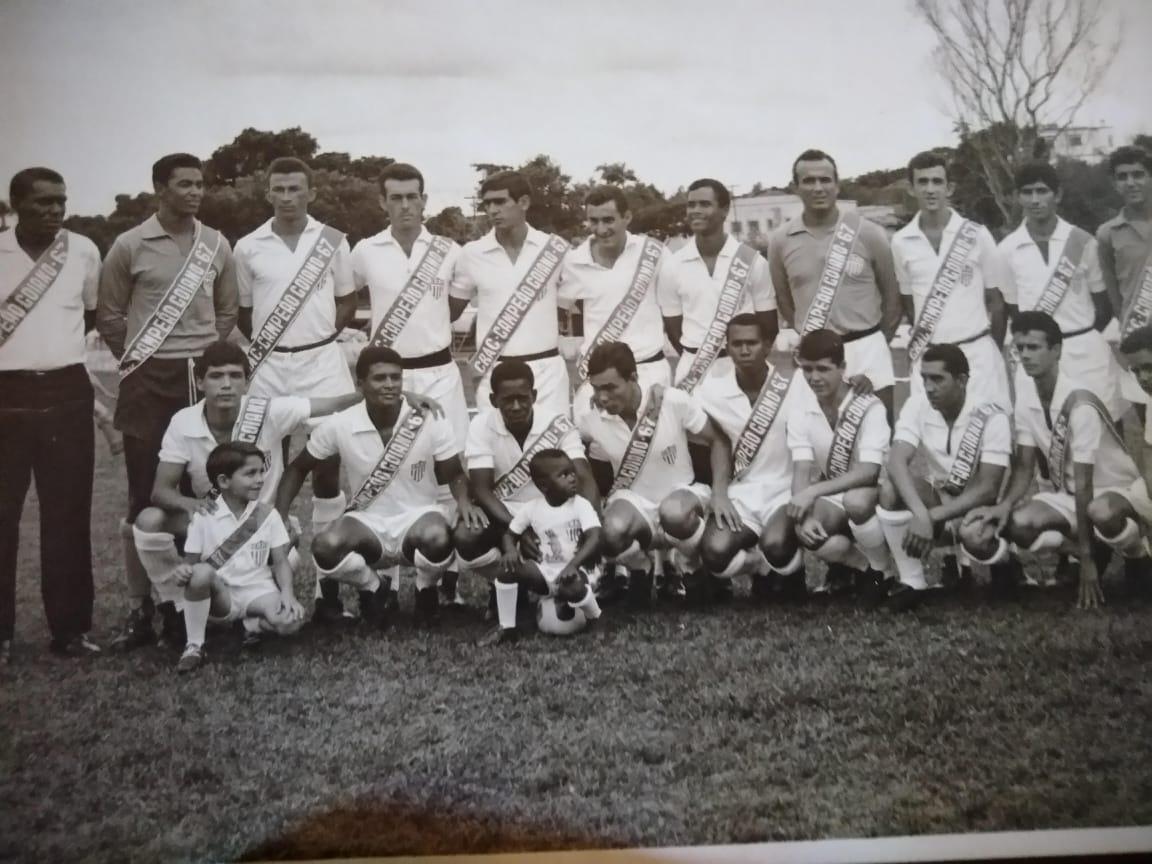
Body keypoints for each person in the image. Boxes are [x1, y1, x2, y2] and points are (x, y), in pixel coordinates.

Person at [129, 340, 363, 642]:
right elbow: (160, 490)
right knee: (149, 521)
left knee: (288, 595)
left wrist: (399, 396)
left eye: (235, 376)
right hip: (212, 526)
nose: (226, 385)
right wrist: (188, 504)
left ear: (246, 381)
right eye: (216, 376)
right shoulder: (183, 421)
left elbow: (332, 405)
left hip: (262, 531)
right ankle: (176, 607)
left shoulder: (269, 411)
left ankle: (244, 622)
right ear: (199, 381)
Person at [97, 152, 238, 649]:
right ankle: (143, 610)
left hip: (199, 378)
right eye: (184, 184)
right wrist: (140, 358)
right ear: (160, 188)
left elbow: (226, 312)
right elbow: (110, 316)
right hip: (147, 380)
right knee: (143, 497)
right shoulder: (128, 245)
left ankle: (190, 601)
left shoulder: (216, 244)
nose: (195, 192)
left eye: (199, 184)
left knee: (204, 489)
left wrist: (200, 359)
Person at [276, 346, 488, 628]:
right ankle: (374, 587)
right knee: (325, 547)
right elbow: (297, 467)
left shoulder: (429, 418)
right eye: (379, 379)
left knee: (438, 537)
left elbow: (454, 473)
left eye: (395, 378)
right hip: (367, 521)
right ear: (360, 384)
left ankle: (426, 590)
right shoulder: (341, 424)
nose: (389, 385)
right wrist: (278, 516)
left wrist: (463, 501)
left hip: (419, 516)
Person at [234, 156, 359, 617]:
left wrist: (316, 338)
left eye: (295, 189)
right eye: (279, 189)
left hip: (323, 362)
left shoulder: (333, 242)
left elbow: (347, 300)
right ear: (268, 193)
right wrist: (280, 345)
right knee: (264, 471)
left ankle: (329, 592)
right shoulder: (247, 246)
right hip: (268, 367)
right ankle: (268, 587)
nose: (287, 197)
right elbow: (245, 312)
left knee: (327, 469)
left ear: (311, 192)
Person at [963, 312, 1152, 609]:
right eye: (1020, 348)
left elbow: (1087, 482)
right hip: (1071, 496)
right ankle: (1089, 547)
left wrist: (1086, 563)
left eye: (1034, 347)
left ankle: (1135, 554)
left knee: (1100, 512)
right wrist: (1004, 505)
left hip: (1113, 491)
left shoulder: (1080, 402)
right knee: (1019, 524)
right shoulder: (1026, 396)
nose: (1026, 355)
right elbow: (1024, 467)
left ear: (1057, 351)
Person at [352, 162, 472, 606]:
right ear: (382, 202)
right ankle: (390, 577)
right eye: (396, 197)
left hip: (440, 372)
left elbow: (456, 307)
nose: (405, 205)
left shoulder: (448, 250)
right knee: (393, 473)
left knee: (447, 475)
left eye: (413, 196)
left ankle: (447, 583)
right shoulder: (364, 251)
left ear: (425, 199)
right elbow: (346, 298)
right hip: (390, 378)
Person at [0, 167, 102, 661]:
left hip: (66, 389)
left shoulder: (82, 250)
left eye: (60, 201)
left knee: (67, 515)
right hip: (5, 394)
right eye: (42, 202)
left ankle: (70, 630)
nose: (54, 210)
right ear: (16, 203)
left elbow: (89, 313)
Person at [578, 341, 739, 604]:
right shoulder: (590, 416)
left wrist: (720, 493)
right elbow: (574, 454)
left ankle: (692, 567)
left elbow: (719, 441)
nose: (603, 397)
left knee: (673, 512)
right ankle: (642, 569)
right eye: (597, 388)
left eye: (610, 387)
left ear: (633, 378)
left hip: (681, 496)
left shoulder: (671, 401)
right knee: (607, 531)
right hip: (635, 502)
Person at [769, 149, 902, 423]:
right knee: (821, 443)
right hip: (816, 357)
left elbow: (892, 297)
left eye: (825, 180)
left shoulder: (868, 233)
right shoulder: (781, 240)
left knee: (876, 444)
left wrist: (875, 344)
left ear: (837, 184)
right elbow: (785, 302)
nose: (818, 188)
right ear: (796, 187)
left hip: (866, 347)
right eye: (808, 181)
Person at [877, 344, 1012, 608]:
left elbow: (988, 488)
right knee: (889, 489)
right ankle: (912, 581)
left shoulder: (991, 413)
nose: (928, 387)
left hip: (983, 508)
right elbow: (895, 460)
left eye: (937, 379)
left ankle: (1006, 564)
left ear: (962, 380)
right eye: (924, 378)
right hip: (941, 498)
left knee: (975, 533)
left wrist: (930, 517)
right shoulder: (918, 405)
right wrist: (920, 512)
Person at [455, 360, 598, 600]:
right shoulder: (481, 425)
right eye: (507, 400)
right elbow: (481, 490)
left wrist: (593, 525)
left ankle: (573, 580)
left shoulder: (557, 424)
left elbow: (584, 476)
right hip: (505, 512)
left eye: (523, 398)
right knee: (466, 535)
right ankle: (505, 583)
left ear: (534, 395)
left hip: (552, 510)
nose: (516, 406)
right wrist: (519, 529)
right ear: (493, 400)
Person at [999, 161, 1123, 419]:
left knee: (1106, 433)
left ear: (1058, 195)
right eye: (1027, 192)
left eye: (1042, 191)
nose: (1035, 200)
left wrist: (1078, 336)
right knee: (1048, 437)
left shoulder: (1083, 241)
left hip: (1086, 353)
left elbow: (1103, 306)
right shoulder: (1007, 249)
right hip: (1039, 356)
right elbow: (1014, 310)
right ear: (1017, 197)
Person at [695, 314, 806, 599]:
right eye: (737, 344)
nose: (744, 350)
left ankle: (791, 570)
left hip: (785, 490)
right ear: (728, 348)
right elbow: (679, 412)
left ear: (767, 346)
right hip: (742, 493)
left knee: (778, 546)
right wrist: (657, 394)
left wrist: (859, 381)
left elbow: (835, 394)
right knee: (714, 552)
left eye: (752, 343)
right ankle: (759, 567)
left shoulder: (793, 386)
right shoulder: (712, 391)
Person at [891, 150, 1010, 407]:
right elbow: (909, 304)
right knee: (933, 440)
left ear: (950, 187)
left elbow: (996, 302)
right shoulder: (900, 241)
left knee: (985, 437)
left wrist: (991, 352)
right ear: (911, 189)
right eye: (922, 182)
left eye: (937, 181)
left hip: (976, 354)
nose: (930, 189)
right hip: (930, 355)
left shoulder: (977, 235)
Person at [174, 441, 305, 674]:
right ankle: (194, 644)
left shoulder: (267, 514)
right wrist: (183, 570)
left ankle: (250, 624)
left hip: (259, 592)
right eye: (250, 473)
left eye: (261, 471)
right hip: (222, 596)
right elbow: (190, 562)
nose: (260, 479)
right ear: (224, 481)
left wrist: (288, 594)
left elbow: (280, 561)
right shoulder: (205, 516)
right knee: (201, 573)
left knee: (291, 622)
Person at [450, 170, 571, 414]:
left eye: (500, 201)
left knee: (552, 450)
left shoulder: (555, 249)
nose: (493, 210)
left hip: (547, 369)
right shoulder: (472, 253)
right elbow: (448, 312)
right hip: (495, 371)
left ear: (523, 202)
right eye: (488, 203)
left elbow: (572, 304)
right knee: (499, 448)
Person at [785, 329, 892, 593]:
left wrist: (813, 491)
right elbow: (801, 469)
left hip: (880, 495)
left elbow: (869, 472)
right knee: (807, 531)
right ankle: (865, 569)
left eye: (823, 369)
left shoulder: (870, 406)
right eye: (807, 369)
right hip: (836, 494)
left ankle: (886, 571)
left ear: (842, 367)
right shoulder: (802, 409)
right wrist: (805, 516)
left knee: (856, 500)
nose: (814, 377)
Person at [561, 185, 671, 420]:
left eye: (609, 220)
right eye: (594, 221)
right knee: (597, 451)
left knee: (657, 451)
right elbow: (570, 327)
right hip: (598, 377)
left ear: (627, 217)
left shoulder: (653, 254)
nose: (601, 229)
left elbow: (674, 307)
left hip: (649, 370)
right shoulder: (572, 262)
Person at [657, 178, 777, 392]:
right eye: (691, 205)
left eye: (704, 204)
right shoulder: (672, 266)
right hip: (693, 369)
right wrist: (700, 357)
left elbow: (768, 325)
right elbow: (674, 329)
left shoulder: (754, 262)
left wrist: (747, 360)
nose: (695, 210)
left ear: (724, 210)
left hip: (742, 367)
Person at [484, 449, 604, 644]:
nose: (573, 478)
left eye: (572, 472)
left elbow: (594, 537)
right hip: (547, 572)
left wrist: (573, 565)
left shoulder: (580, 505)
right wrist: (511, 550)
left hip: (579, 572)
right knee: (507, 570)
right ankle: (507, 627)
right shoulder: (533, 508)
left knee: (571, 587)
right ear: (543, 485)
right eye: (564, 475)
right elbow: (510, 534)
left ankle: (596, 618)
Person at [1097, 146, 1152, 411]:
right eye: (1122, 176)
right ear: (1114, 182)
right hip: (1140, 339)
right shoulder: (1108, 234)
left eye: (1138, 174)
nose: (1131, 182)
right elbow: (1115, 296)